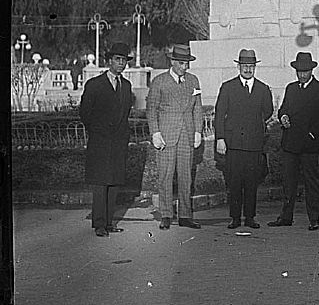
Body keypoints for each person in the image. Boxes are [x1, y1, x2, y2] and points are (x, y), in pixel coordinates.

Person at [267, 52, 319, 231]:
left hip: (309, 145)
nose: (302, 75)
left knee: (311, 182)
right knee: (288, 182)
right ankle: (286, 217)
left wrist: (313, 133)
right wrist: (284, 117)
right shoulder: (291, 88)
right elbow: (283, 109)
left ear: (311, 70)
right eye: (299, 71)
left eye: (305, 71)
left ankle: (314, 218)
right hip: (290, 143)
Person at [79, 42, 134, 238]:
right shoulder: (94, 84)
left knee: (115, 182)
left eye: (124, 60)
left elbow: (125, 112)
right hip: (100, 141)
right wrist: (97, 131)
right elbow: (85, 113)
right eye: (118, 60)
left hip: (119, 141)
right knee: (101, 182)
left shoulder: (126, 86)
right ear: (109, 61)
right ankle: (99, 224)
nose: (121, 64)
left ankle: (109, 222)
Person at [214, 49, 274, 230]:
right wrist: (220, 138)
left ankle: (250, 217)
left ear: (255, 67)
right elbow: (219, 115)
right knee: (234, 182)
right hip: (233, 144)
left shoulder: (263, 89)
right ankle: (234, 218)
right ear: (238, 66)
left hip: (254, 144)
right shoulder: (228, 87)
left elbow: (268, 111)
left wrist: (255, 125)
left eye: (251, 66)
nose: (248, 69)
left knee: (251, 182)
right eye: (245, 66)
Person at [146, 44, 203, 230]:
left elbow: (197, 108)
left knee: (186, 177)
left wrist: (197, 131)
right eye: (181, 63)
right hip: (166, 136)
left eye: (187, 63)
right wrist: (155, 132)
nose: (184, 67)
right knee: (165, 176)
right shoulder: (159, 81)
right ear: (172, 62)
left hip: (187, 135)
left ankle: (185, 215)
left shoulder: (194, 81)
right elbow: (151, 109)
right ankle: (166, 214)